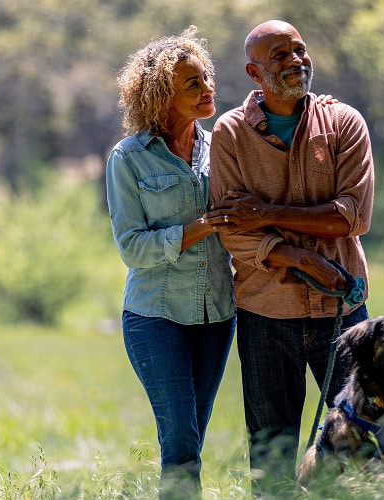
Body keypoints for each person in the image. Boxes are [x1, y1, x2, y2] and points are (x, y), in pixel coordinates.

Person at [209, 20, 375, 495]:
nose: (295, 60)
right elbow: (230, 232)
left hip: (343, 311)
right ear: (253, 72)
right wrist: (299, 259)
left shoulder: (344, 123)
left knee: (361, 441)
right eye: (279, 55)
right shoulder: (231, 134)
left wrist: (266, 213)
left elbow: (353, 216)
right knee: (271, 454)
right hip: (265, 314)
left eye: (299, 50)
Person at [104, 27, 237, 499]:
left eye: (205, 79)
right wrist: (201, 226)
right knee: (180, 440)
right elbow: (132, 248)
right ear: (161, 96)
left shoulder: (224, 144)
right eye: (192, 85)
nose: (207, 90)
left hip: (217, 315)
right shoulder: (128, 160)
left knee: (190, 442)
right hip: (154, 316)